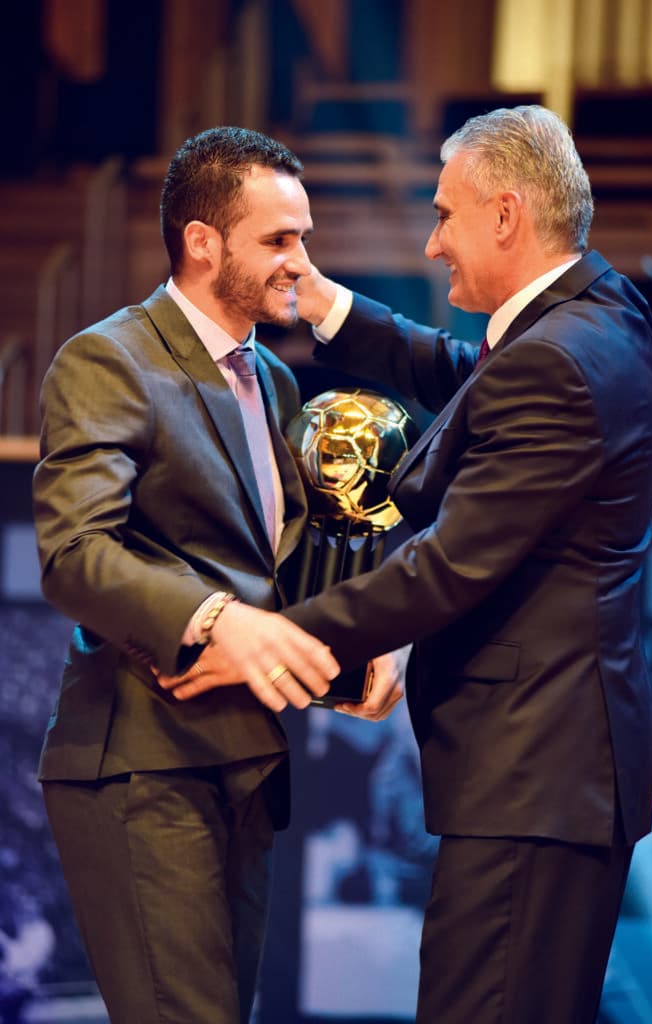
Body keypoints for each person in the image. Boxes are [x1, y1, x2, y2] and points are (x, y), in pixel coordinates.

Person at [165, 105, 652, 1022]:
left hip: (533, 778)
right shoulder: (598, 314)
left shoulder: (556, 357)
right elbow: (465, 379)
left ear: (506, 216)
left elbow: (445, 569)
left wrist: (266, 635)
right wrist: (324, 304)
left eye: (444, 215)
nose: (433, 243)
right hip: (555, 775)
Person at [32, 126, 347, 1024]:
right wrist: (213, 617)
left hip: (244, 762)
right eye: (279, 240)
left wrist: (364, 649)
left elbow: (281, 574)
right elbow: (72, 555)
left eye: (304, 237)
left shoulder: (277, 382)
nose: (301, 262)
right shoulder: (109, 358)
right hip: (141, 762)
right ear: (202, 241)